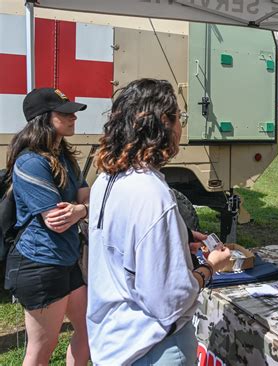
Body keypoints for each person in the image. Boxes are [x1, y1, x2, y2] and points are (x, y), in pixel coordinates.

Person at [86, 78, 231, 365]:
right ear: (163, 122)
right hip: (152, 346)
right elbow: (170, 301)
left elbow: (125, 243)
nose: (181, 128)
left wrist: (177, 238)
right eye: (179, 118)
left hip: (114, 339)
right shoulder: (152, 194)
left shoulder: (107, 178)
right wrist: (210, 267)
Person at [4, 88, 90, 365]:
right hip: (39, 263)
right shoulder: (30, 162)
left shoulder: (65, 157)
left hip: (65, 260)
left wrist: (80, 210)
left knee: (89, 328)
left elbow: (85, 200)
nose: (73, 117)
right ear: (42, 118)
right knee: (42, 348)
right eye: (64, 113)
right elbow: (56, 220)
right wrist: (80, 210)